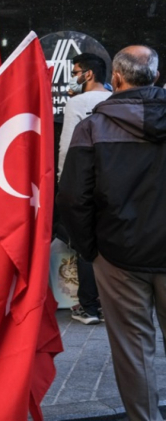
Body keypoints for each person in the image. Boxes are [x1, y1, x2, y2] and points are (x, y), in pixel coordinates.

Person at [57, 45, 165, 421]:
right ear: (155, 77)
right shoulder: (92, 125)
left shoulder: (91, 127)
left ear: (115, 79)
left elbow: (72, 197)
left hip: (119, 254)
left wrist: (91, 249)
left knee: (133, 352)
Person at [57, 53, 112, 326]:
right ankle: (105, 304)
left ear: (88, 74)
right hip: (112, 183)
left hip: (84, 183)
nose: (74, 78)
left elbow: (67, 147)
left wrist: (62, 182)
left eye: (76, 72)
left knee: (84, 244)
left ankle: (89, 308)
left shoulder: (76, 103)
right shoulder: (115, 99)